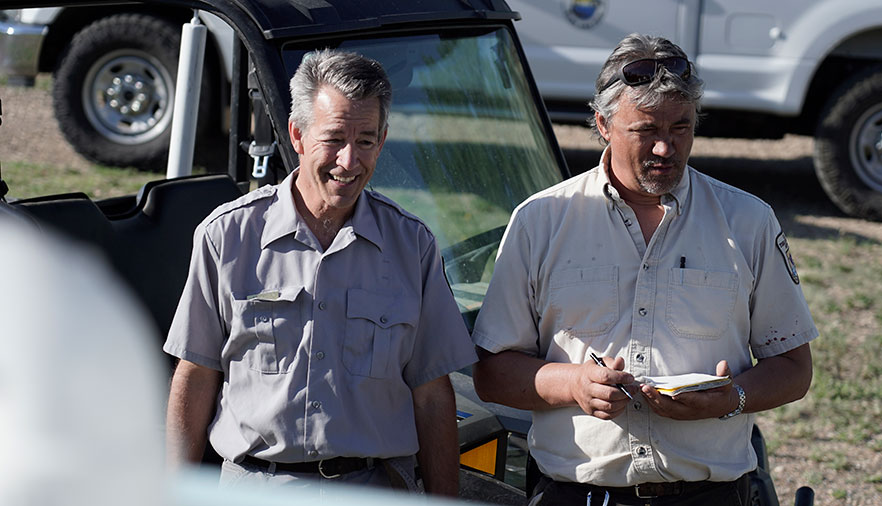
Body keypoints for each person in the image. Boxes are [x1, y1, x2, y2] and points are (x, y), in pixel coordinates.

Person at [471, 33, 817, 505]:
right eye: (646, 129)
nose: (664, 148)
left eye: (681, 127)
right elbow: (492, 373)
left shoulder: (748, 221)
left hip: (710, 496)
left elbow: (794, 368)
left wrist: (731, 397)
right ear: (603, 124)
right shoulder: (540, 220)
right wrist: (574, 385)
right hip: (577, 493)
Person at [163, 49, 476, 497]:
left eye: (366, 141)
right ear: (298, 135)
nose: (349, 162)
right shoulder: (226, 236)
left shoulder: (413, 247)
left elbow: (432, 394)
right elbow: (195, 375)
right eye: (334, 139)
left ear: (382, 141)